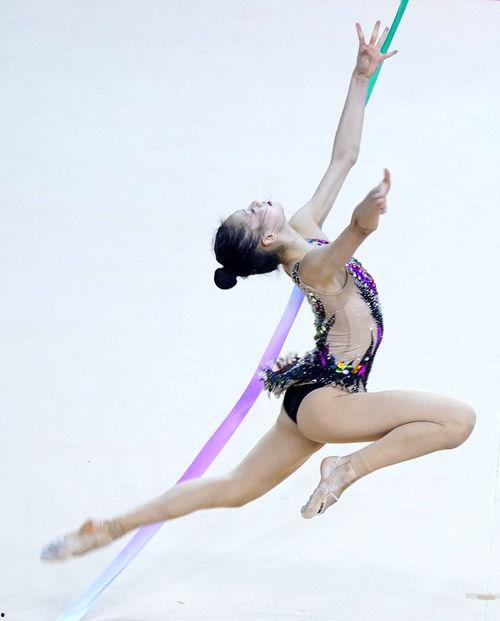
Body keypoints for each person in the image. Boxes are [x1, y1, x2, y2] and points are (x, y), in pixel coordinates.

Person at [40, 20, 475, 562]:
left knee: (234, 489)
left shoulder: (305, 226)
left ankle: (107, 527)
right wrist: (367, 215)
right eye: (252, 214)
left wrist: (360, 78)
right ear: (267, 239)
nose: (256, 203)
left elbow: (343, 157)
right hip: (329, 400)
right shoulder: (312, 267)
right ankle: (346, 468)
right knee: (457, 420)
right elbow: (353, 236)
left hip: (313, 394)